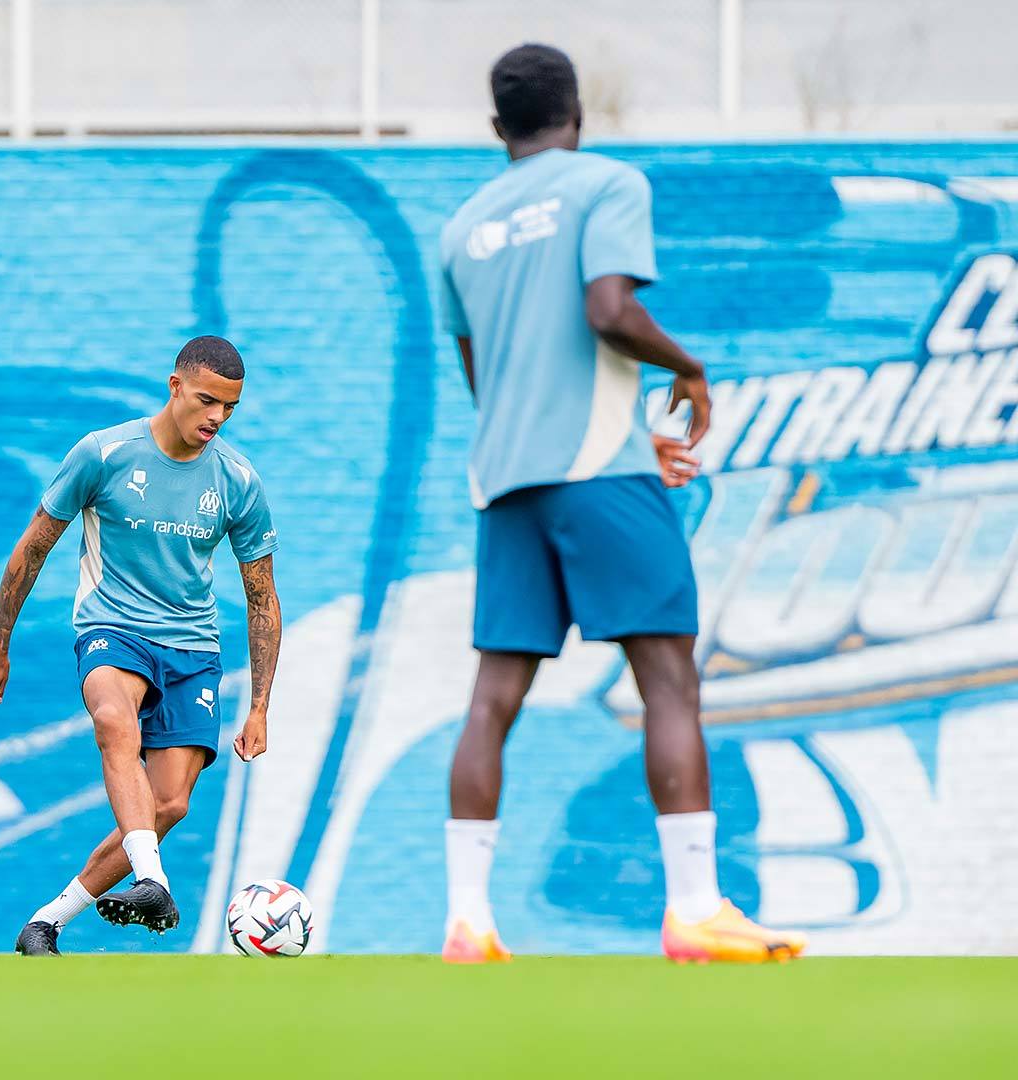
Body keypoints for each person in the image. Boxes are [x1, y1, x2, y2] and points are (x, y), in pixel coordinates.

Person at [436, 44, 806, 964]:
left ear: (497, 129)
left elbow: (495, 383)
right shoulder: (607, 184)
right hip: (600, 472)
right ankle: (694, 909)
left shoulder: (460, 228)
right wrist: (687, 366)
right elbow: (608, 310)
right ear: (577, 112)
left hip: (507, 481)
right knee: (669, 679)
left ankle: (467, 924)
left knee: (493, 699)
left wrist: (627, 441)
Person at [0, 335, 283, 956]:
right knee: (114, 719)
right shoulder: (103, 453)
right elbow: (33, 547)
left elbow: (263, 597)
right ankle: (152, 880)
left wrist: (261, 704)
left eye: (230, 409)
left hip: (192, 648)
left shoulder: (238, 480)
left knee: (170, 804)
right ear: (176, 387)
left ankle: (46, 923)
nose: (216, 418)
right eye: (208, 401)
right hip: (113, 629)